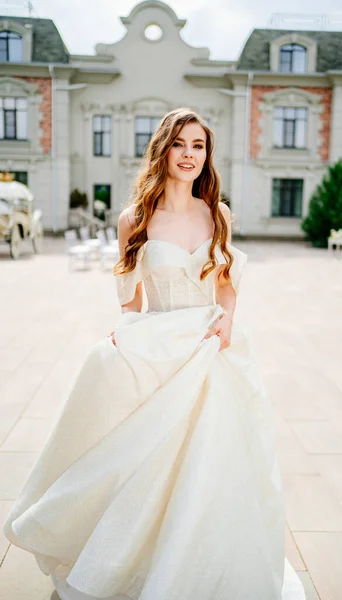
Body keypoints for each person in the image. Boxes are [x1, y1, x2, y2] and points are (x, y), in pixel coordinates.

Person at [3, 108, 306, 600]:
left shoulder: (218, 214)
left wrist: (227, 318)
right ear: (163, 150)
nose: (189, 155)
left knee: (209, 461)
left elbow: (226, 286)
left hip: (209, 349)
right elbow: (130, 303)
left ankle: (197, 560)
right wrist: (126, 338)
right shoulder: (135, 220)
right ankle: (134, 555)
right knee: (146, 461)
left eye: (199, 146)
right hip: (160, 349)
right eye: (180, 145)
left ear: (207, 156)